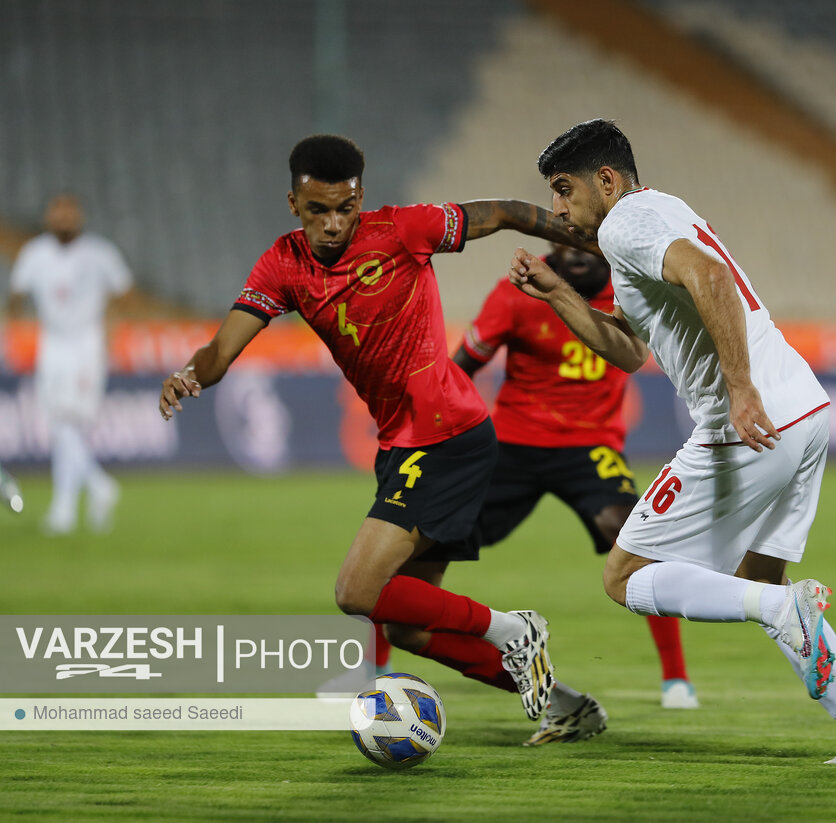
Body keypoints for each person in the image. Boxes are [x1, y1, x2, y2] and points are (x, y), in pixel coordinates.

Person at [159, 134, 604, 739]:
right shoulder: (282, 264)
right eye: (319, 210)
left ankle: (511, 627)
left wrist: (585, 236)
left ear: (361, 197)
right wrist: (190, 375)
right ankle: (567, 704)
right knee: (407, 628)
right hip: (404, 445)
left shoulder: (402, 230)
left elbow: (500, 214)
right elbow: (221, 349)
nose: (335, 224)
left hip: (447, 437)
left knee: (356, 591)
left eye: (346, 207)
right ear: (293, 203)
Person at [509, 118, 836, 765]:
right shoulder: (658, 216)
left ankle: (785, 610)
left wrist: (740, 389)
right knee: (759, 579)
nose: (557, 208)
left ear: (606, 180)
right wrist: (557, 294)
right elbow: (631, 349)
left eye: (563, 189)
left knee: (625, 576)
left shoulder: (625, 222)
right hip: (804, 410)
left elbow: (713, 278)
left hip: (747, 422)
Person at [453, 243, 699, 711]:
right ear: (550, 246)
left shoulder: (629, 292)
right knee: (435, 531)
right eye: (565, 242)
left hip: (591, 448)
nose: (576, 252)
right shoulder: (515, 294)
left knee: (635, 538)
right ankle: (379, 661)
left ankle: (676, 679)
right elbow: (461, 368)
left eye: (587, 242)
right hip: (512, 445)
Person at [6, 194, 131, 534]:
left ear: (79, 217)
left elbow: (122, 294)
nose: (63, 220)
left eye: (69, 214)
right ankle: (95, 488)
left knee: (70, 422)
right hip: (52, 345)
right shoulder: (35, 253)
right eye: (57, 214)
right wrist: (18, 332)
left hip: (87, 344)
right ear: (48, 218)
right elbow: (15, 296)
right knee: (61, 424)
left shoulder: (99, 253)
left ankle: (67, 508)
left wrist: (110, 336)